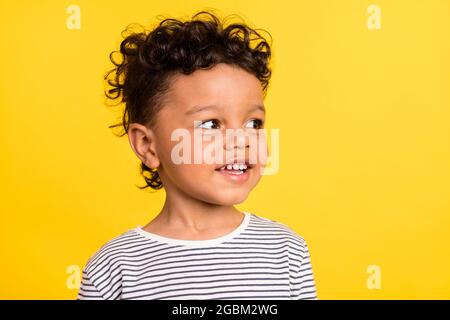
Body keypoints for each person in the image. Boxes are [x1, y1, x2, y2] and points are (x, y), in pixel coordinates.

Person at [77, 10, 317, 300]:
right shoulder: (114, 268)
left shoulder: (286, 251)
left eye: (253, 123)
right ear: (148, 146)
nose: (240, 140)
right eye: (211, 124)